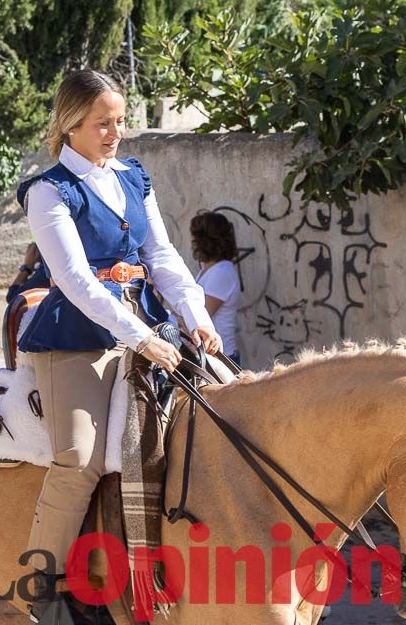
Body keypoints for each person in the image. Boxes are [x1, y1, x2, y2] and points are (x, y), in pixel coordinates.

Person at [16, 69, 219, 623]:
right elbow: (78, 281)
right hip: (77, 338)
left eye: (120, 122)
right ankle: (44, 585)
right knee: (80, 458)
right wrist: (143, 337)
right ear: (71, 125)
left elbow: (163, 256)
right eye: (103, 123)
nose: (115, 133)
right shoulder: (49, 190)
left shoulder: (133, 176)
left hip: (150, 325)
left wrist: (196, 316)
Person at [190, 211, 242, 365]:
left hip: (222, 357)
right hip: (208, 357)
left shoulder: (222, 271)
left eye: (196, 238)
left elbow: (200, 314)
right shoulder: (206, 270)